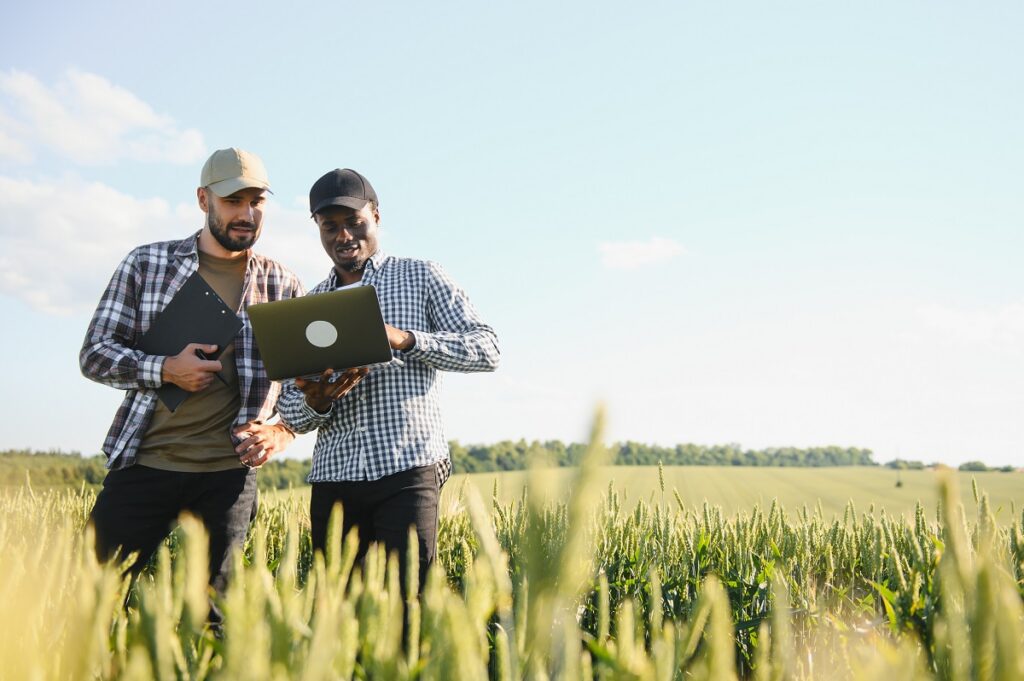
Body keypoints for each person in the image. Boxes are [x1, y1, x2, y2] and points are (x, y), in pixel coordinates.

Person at [81, 148, 331, 614]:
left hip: (228, 479)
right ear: (203, 200)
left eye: (256, 201)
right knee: (91, 601)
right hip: (145, 465)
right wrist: (164, 368)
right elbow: (94, 355)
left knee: (216, 620)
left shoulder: (282, 284)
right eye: (234, 200)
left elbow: (307, 384)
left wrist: (284, 430)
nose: (247, 213)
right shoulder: (146, 264)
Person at [277, 168, 500, 590]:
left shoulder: (421, 276)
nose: (343, 236)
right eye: (330, 227)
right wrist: (318, 401)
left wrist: (405, 339)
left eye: (354, 223)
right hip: (334, 476)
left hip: (406, 469)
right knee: (338, 613)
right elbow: (290, 410)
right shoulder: (308, 306)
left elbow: (487, 349)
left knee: (408, 605)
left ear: (376, 216)